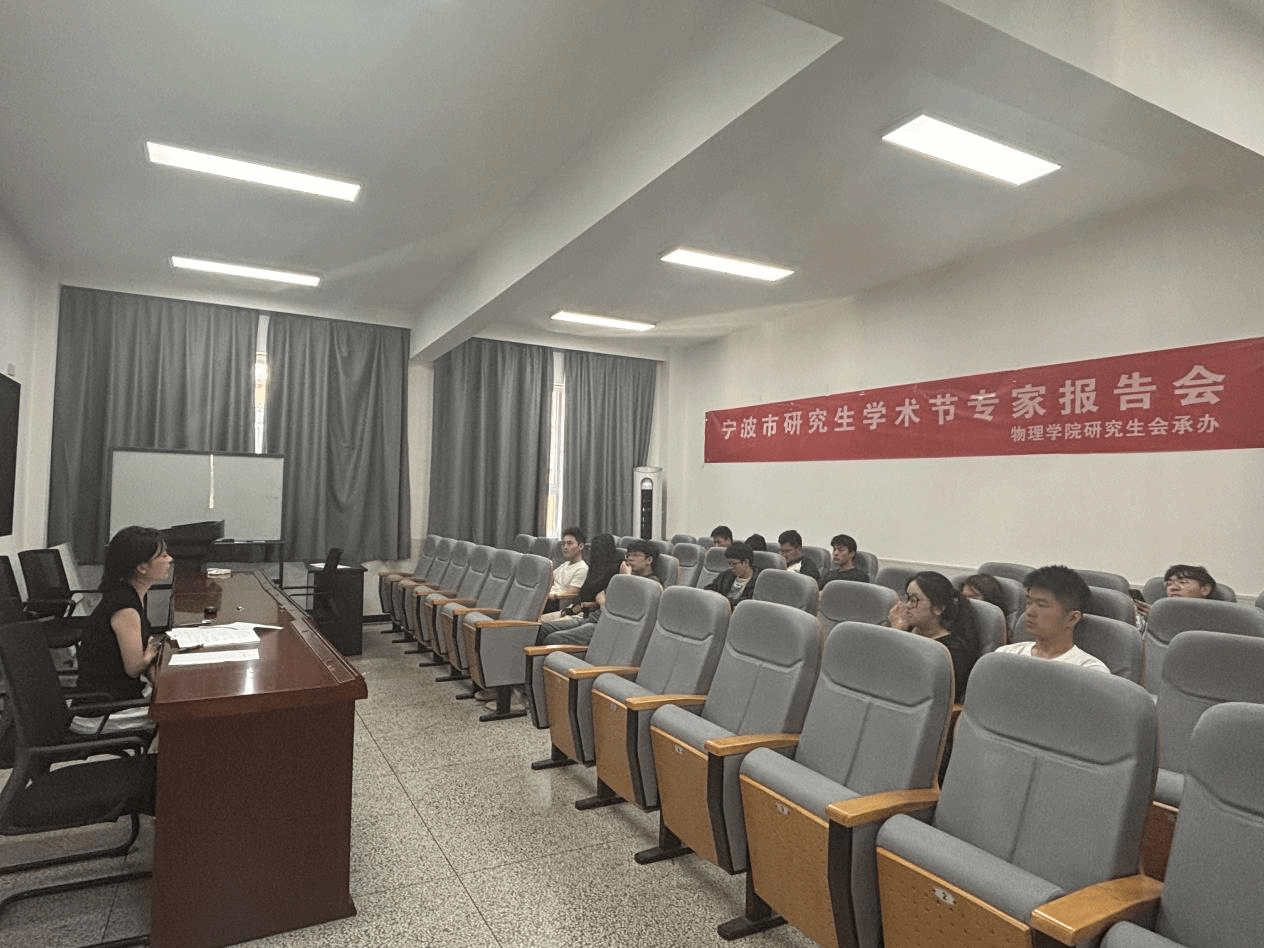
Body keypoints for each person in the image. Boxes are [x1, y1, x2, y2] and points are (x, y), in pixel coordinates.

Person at [73, 525, 173, 732]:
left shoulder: (127, 594)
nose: (169, 559)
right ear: (142, 567)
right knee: (182, 714)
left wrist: (150, 653)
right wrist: (149, 654)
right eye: (163, 555)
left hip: (116, 698)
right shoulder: (124, 606)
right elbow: (134, 667)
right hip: (102, 713)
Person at [539, 539, 662, 647]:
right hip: (592, 618)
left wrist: (626, 578)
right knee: (543, 629)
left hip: (606, 626)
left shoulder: (652, 585)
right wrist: (605, 606)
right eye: (628, 554)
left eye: (635, 555)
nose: (630, 558)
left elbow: (630, 610)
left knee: (553, 639)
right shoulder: (623, 578)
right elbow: (600, 595)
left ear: (649, 560)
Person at [996, 565, 1109, 672]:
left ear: (1072, 618)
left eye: (1041, 605)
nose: (1029, 612)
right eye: (1029, 602)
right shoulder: (1005, 654)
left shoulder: (1090, 670)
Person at [887, 571, 980, 698]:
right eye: (907, 598)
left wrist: (897, 633)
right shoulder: (907, 628)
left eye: (914, 600)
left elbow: (910, 682)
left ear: (938, 608)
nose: (907, 605)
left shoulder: (951, 651)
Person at [1136, 564, 1218, 620]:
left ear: (1205, 590)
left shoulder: (1215, 618)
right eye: (1169, 584)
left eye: (1183, 582)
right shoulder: (1155, 612)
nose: (1173, 588)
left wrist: (1159, 620)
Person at [542, 526, 589, 613]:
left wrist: (550, 595)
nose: (565, 547)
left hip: (555, 604)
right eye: (563, 544)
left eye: (569, 543)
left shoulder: (582, 569)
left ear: (581, 546)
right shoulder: (565, 564)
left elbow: (570, 595)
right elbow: (549, 580)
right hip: (546, 598)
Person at [705, 541, 760, 608]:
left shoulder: (758, 582)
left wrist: (724, 602)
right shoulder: (725, 575)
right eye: (729, 564)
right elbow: (709, 589)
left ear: (746, 562)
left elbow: (747, 604)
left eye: (734, 564)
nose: (731, 567)